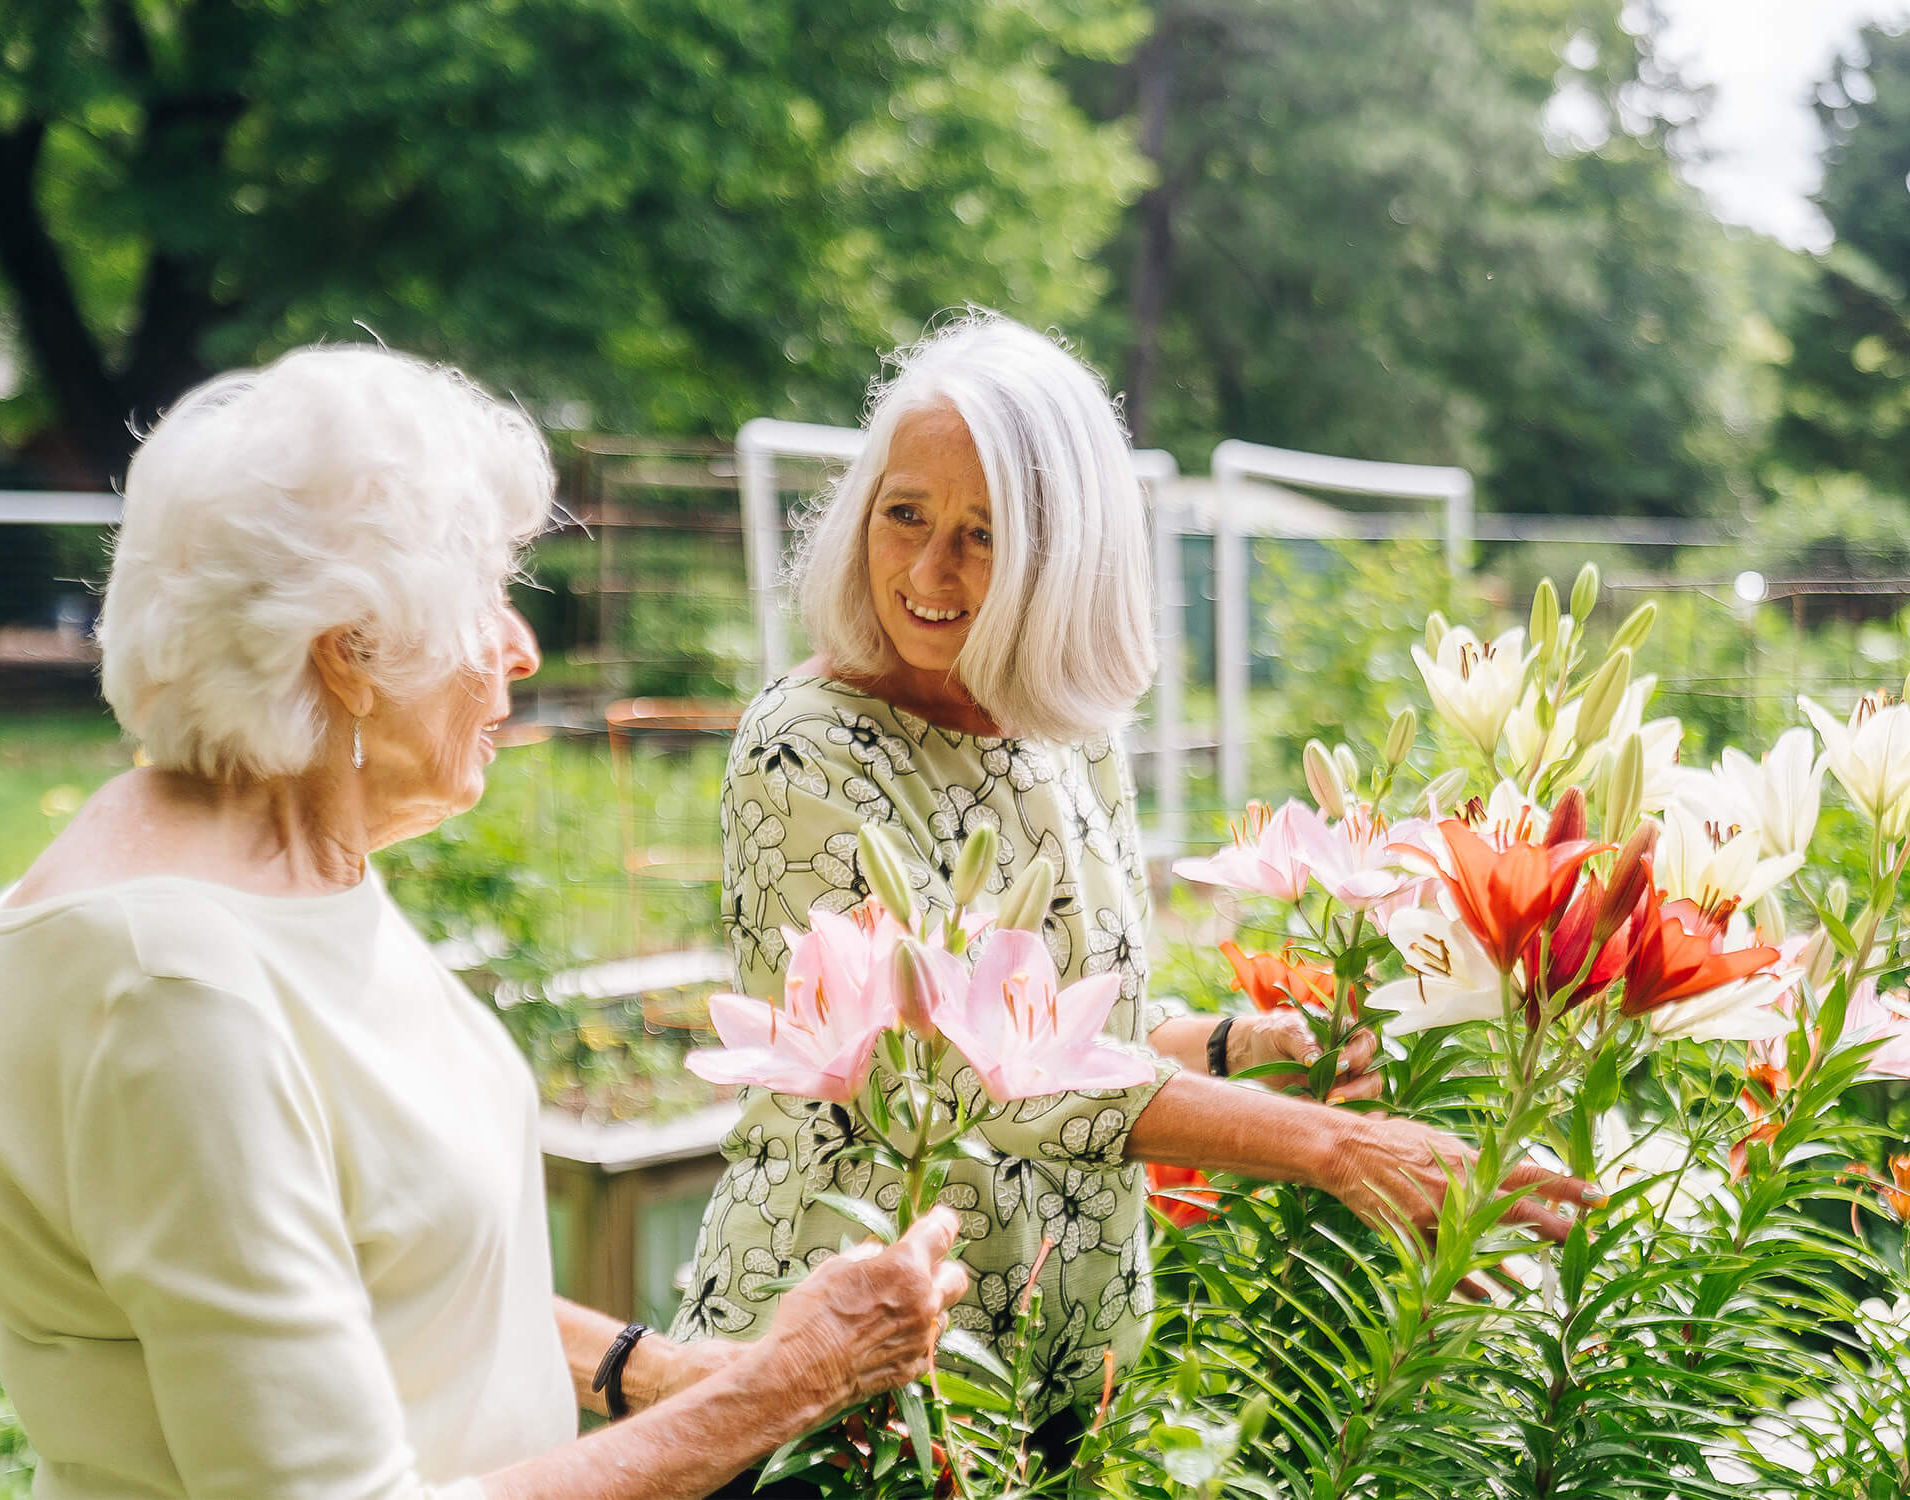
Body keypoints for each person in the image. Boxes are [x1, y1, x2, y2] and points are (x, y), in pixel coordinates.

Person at [0, 347, 967, 1500]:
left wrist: (646, 1370)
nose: (519, 646)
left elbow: (378, 1250)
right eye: (487, 598)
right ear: (350, 655)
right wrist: (784, 1386)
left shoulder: (272, 870)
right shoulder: (174, 991)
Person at [674, 311, 1592, 1457]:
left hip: (1051, 1382)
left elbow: (1074, 1029)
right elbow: (960, 1077)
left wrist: (1231, 1047)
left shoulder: (1066, 730)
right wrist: (1324, 1145)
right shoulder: (804, 746)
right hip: (846, 1385)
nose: (927, 571)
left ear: (1065, 556)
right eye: (902, 514)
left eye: (983, 533)